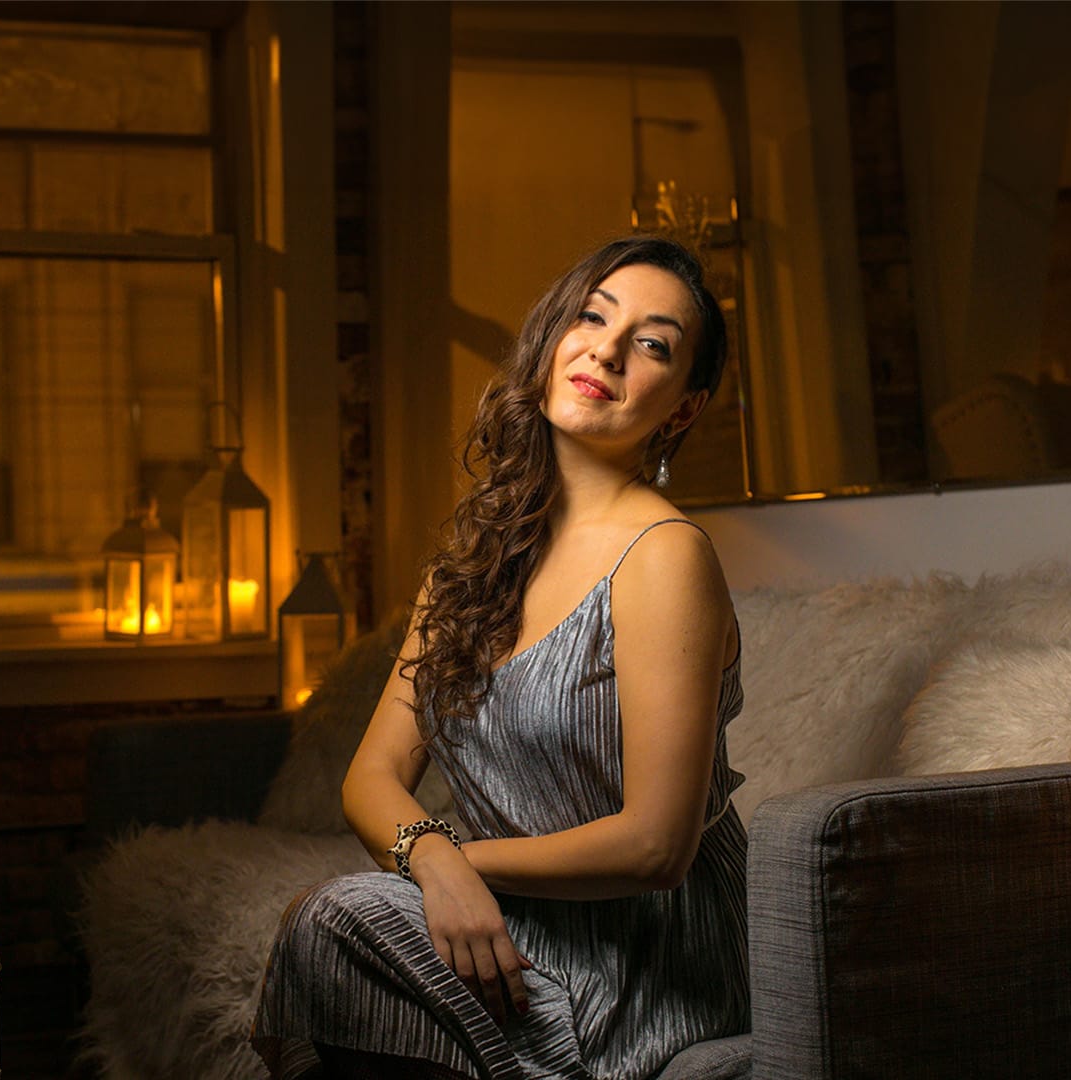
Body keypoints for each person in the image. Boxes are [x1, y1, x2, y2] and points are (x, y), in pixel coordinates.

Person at [252, 235, 747, 1080]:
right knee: (329, 938)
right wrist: (435, 861)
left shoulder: (665, 557)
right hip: (507, 922)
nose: (608, 349)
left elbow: (657, 846)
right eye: (592, 317)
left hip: (644, 961)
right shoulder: (473, 563)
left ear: (684, 407)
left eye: (653, 343)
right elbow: (370, 777)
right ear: (555, 335)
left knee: (336, 920)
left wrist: (452, 869)